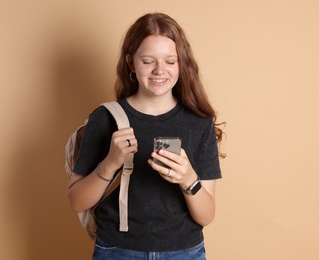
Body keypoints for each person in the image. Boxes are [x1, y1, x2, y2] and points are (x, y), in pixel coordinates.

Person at [67, 12, 225, 260]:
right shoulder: (105, 118)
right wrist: (110, 163)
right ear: (131, 62)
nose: (159, 70)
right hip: (117, 251)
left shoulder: (199, 123)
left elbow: (206, 216)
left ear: (181, 63)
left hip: (184, 252)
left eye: (170, 61)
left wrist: (188, 179)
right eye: (148, 61)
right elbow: (77, 201)